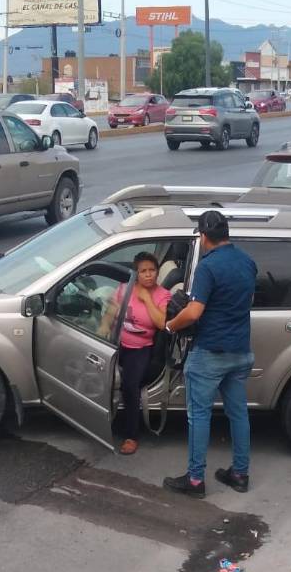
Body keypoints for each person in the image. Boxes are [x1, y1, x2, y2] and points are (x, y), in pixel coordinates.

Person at [162, 211, 257, 498]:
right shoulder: (247, 262)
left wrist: (170, 325)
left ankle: (195, 480)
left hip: (210, 353)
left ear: (204, 237)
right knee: (238, 414)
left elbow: (194, 312)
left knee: (199, 416)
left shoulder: (208, 266)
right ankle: (240, 474)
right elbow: (246, 301)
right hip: (240, 351)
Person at [98, 252, 172, 455]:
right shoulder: (124, 289)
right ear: (136, 273)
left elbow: (161, 323)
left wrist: (147, 299)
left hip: (141, 348)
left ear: (157, 272)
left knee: (130, 387)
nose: (148, 274)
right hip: (117, 343)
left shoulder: (163, 294)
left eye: (152, 270)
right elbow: (110, 313)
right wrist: (103, 328)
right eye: (143, 271)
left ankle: (131, 436)